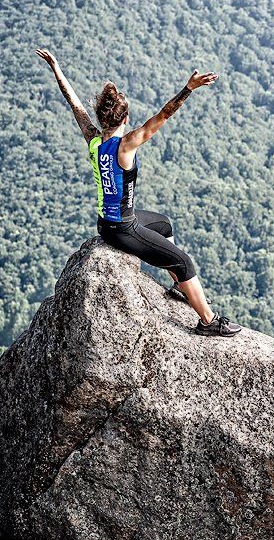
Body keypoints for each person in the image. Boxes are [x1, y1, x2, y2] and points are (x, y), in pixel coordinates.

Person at [35, 48, 240, 337]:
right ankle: (208, 322)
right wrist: (188, 88)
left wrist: (57, 68)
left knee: (164, 223)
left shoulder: (93, 140)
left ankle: (179, 287)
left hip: (108, 223)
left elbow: (74, 104)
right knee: (184, 262)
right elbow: (164, 115)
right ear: (125, 118)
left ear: (101, 118)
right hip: (122, 228)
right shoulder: (126, 146)